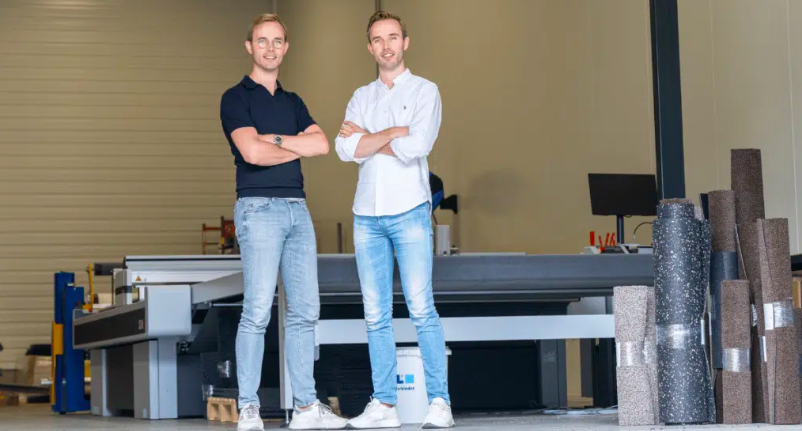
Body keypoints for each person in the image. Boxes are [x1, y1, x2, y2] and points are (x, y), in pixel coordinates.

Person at [219, 13, 348, 431]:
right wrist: (296, 146)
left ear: (286, 48)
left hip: (298, 210)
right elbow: (251, 154)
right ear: (249, 46)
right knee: (257, 311)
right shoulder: (235, 98)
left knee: (305, 311)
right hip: (258, 209)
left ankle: (306, 408)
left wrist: (272, 139)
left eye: (277, 41)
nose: (270, 48)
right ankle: (249, 407)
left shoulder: (293, 102)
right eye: (262, 40)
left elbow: (322, 144)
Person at [335, 10, 455, 430]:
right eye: (377, 39)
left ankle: (439, 402)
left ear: (405, 42)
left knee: (422, 309)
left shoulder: (425, 91)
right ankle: (384, 404)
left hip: (409, 211)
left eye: (392, 37)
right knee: (375, 315)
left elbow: (417, 146)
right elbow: (344, 148)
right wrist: (391, 133)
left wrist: (368, 139)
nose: (385, 46)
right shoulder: (360, 96)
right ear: (369, 48)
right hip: (366, 215)